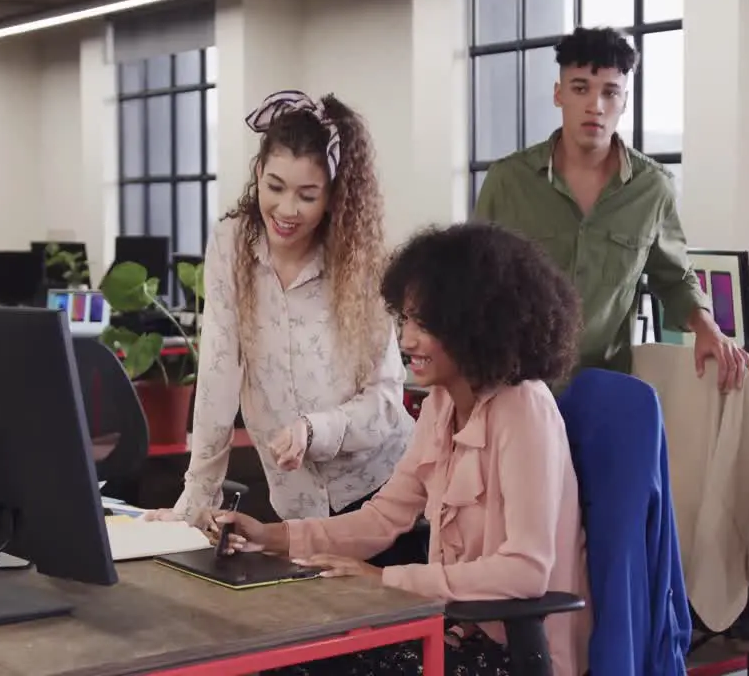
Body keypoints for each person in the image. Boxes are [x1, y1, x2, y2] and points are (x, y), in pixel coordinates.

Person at [214, 222, 590, 676]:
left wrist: (387, 579)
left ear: (475, 324)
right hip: (456, 631)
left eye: (425, 325)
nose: (406, 340)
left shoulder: (524, 409)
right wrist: (270, 536)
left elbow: (526, 571)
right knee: (282, 658)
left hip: (514, 654)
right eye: (406, 320)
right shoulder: (443, 403)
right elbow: (382, 518)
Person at [148, 90, 417, 565]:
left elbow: (387, 404)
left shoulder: (359, 261)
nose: (287, 209)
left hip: (383, 493)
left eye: (307, 195)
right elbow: (217, 374)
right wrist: (194, 502)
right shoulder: (232, 245)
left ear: (334, 196)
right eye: (275, 186)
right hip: (295, 506)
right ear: (257, 175)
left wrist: (316, 429)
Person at [473, 26, 749, 392]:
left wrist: (708, 330)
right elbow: (473, 285)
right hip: (514, 390)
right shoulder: (509, 181)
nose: (595, 106)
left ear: (625, 100)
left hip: (602, 392)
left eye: (609, 92)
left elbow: (675, 278)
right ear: (559, 94)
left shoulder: (652, 189)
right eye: (580, 88)